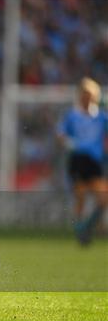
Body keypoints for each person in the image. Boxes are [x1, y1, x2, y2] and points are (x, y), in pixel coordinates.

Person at [57, 77, 108, 245]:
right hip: (78, 159)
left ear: (95, 96)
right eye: (83, 94)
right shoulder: (72, 116)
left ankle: (86, 227)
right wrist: (68, 142)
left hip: (95, 161)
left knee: (103, 198)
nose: (86, 97)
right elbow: (61, 134)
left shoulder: (101, 117)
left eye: (89, 94)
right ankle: (81, 232)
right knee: (81, 197)